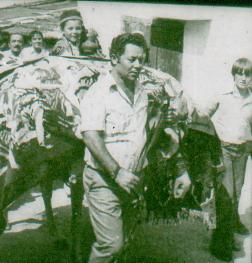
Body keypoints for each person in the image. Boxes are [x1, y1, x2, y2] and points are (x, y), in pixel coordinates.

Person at [80, 32, 190, 262]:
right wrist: (117, 172)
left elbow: (155, 135)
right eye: (132, 59)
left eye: (142, 60)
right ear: (114, 59)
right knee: (111, 245)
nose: (138, 65)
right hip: (104, 180)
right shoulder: (99, 92)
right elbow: (91, 136)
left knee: (126, 239)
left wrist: (181, 170)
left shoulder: (143, 93)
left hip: (135, 180)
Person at [198, 58, 252, 261]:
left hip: (242, 152)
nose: (244, 78)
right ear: (234, 75)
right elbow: (202, 116)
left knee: (236, 197)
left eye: (248, 74)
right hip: (222, 151)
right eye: (240, 73)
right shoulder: (223, 97)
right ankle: (219, 245)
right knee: (226, 198)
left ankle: (226, 237)